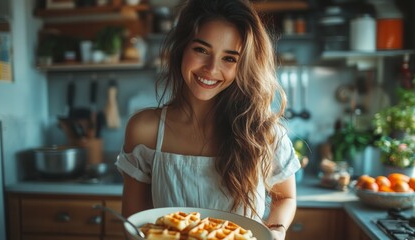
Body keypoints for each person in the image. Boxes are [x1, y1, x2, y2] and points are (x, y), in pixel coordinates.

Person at [116, 0, 301, 239]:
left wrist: (276, 230)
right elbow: (135, 222)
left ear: (244, 66)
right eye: (201, 50)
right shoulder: (145, 130)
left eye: (230, 58)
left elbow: (285, 197)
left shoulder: (262, 132)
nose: (212, 69)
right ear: (182, 48)